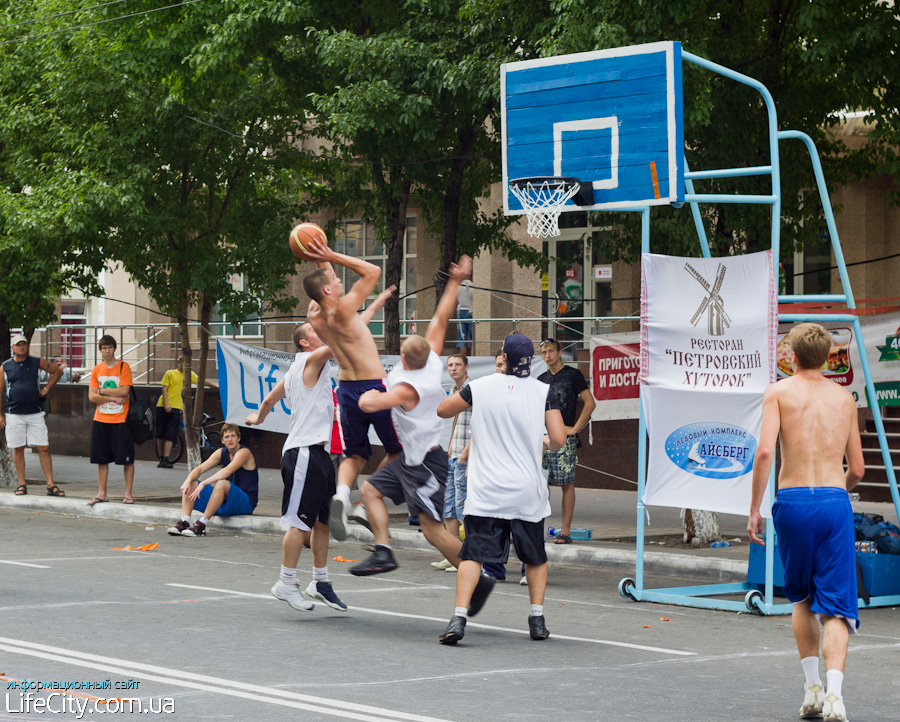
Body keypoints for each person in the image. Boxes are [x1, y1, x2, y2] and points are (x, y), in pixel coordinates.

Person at [748, 322, 864, 722]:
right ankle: (835, 696)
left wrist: (754, 510)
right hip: (833, 501)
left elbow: (765, 452)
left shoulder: (778, 392)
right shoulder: (844, 399)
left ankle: (812, 687)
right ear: (829, 356)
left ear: (791, 356)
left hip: (793, 500)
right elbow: (860, 469)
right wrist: (837, 493)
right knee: (836, 606)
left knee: (801, 597)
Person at [436, 333, 566, 645]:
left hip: (486, 490)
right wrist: (543, 441)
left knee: (472, 555)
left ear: (504, 358)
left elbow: (443, 410)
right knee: (534, 556)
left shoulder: (480, 387)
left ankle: (459, 616)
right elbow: (558, 439)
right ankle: (536, 619)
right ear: (530, 360)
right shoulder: (542, 391)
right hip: (526, 491)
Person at [299, 238, 402, 541]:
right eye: (333, 278)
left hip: (345, 389)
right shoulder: (343, 311)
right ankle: (368, 497)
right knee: (399, 449)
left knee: (354, 454)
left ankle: (343, 495)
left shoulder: (315, 317)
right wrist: (330, 254)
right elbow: (371, 271)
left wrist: (320, 258)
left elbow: (324, 287)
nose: (336, 276)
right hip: (373, 387)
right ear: (329, 291)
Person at [537, 338, 596, 545]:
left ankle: (565, 530)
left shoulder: (573, 375)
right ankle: (535, 527)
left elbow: (590, 403)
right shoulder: (540, 379)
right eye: (543, 352)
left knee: (566, 483)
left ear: (560, 352)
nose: (547, 356)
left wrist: (575, 429)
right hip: (543, 438)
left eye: (551, 351)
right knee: (539, 483)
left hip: (564, 438)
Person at [0, 334, 65, 496]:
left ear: (27, 346)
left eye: (24, 344)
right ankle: (22, 484)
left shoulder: (37, 362)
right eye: (18, 345)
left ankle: (51, 484)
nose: (21, 347)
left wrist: (46, 388)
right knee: (18, 448)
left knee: (43, 447)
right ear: (12, 348)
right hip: (14, 413)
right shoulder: (5, 367)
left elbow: (57, 372)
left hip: (35, 412)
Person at [167, 423, 258, 537]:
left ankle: (202, 524)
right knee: (192, 483)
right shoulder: (221, 452)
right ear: (222, 440)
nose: (230, 439)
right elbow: (199, 469)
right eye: (227, 437)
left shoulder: (244, 452)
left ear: (239, 438)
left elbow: (227, 471)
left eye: (233, 436)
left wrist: (204, 483)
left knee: (221, 483)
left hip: (245, 502)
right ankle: (184, 522)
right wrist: (187, 481)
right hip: (225, 501)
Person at [432, 353, 470, 574]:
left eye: (458, 365)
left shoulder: (472, 389)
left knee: (463, 507)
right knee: (449, 508)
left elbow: (478, 424)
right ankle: (453, 554)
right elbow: (455, 422)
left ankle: (468, 555)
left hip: (466, 456)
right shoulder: (454, 392)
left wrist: (466, 453)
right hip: (453, 453)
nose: (453, 368)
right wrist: (450, 448)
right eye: (450, 365)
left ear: (466, 367)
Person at [87, 335, 136, 505]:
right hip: (100, 419)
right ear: (100, 350)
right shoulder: (96, 370)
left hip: (121, 419)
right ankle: (102, 493)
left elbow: (124, 391)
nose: (107, 351)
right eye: (104, 348)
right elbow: (92, 397)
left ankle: (128, 493)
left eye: (110, 347)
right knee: (101, 458)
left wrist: (101, 392)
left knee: (127, 459)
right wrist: (106, 395)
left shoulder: (124, 367)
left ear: (114, 349)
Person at [155, 356, 217, 468]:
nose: (185, 365)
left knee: (170, 434)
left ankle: (166, 459)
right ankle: (161, 458)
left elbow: (202, 382)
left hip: (176, 408)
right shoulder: (170, 373)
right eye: (183, 362)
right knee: (160, 435)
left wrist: (217, 387)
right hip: (162, 405)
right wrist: (166, 403)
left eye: (188, 362)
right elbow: (164, 388)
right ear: (179, 362)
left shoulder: (189, 375)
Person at [456, 279, 474, 356]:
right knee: (474, 339)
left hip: (460, 312)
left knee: (461, 337)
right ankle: (474, 357)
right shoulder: (473, 286)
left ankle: (462, 359)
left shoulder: (458, 286)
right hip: (471, 311)